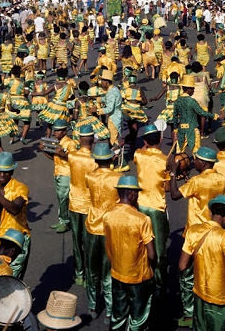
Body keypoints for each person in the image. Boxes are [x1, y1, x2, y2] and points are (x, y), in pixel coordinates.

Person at [169, 146, 225, 327]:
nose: (194, 162)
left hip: (195, 231)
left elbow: (175, 195)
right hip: (214, 231)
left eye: (196, 160)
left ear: (203, 162)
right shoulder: (221, 179)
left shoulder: (196, 181)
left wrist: (172, 173)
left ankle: (189, 314)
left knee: (186, 274)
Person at [178, 195, 225, 331]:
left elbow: (182, 265)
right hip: (221, 299)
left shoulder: (193, 231)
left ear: (211, 212)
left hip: (199, 294)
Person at [103, 175, 155, 331]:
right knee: (139, 316)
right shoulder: (142, 219)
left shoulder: (108, 215)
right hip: (138, 276)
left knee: (118, 314)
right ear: (132, 194)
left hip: (117, 272)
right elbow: (152, 254)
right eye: (137, 193)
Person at [84, 141, 122, 321]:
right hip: (109, 228)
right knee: (108, 272)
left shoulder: (89, 177)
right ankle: (109, 309)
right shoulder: (118, 177)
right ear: (110, 158)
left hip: (92, 226)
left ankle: (92, 305)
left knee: (92, 269)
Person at [134, 124, 170, 293]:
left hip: (140, 205)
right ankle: (160, 282)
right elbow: (168, 188)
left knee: (142, 244)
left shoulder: (139, 155)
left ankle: (143, 276)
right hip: (157, 207)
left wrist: (146, 144)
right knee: (159, 247)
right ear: (161, 140)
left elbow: (141, 150)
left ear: (145, 141)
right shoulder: (165, 160)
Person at [0, 151, 31, 280]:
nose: (2, 175)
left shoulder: (21, 188)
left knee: (12, 279)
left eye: (6, 171)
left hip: (16, 240)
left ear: (12, 172)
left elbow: (15, 209)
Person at [67, 124, 96, 285]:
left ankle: (79, 273)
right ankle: (90, 273)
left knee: (76, 241)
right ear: (92, 140)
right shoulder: (96, 160)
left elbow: (57, 154)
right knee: (89, 242)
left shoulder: (72, 157)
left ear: (79, 139)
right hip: (90, 206)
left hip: (74, 204)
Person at [40, 118, 77, 233]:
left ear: (64, 131)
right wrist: (44, 151)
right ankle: (62, 220)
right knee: (61, 198)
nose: (55, 133)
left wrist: (61, 153)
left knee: (63, 198)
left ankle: (66, 222)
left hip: (67, 174)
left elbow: (75, 159)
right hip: (58, 173)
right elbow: (54, 158)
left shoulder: (71, 143)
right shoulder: (58, 142)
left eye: (58, 131)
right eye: (55, 130)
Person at [172, 74, 214, 153]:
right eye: (193, 89)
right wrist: (214, 116)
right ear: (188, 89)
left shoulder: (177, 101)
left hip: (181, 129)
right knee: (196, 150)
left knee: (179, 151)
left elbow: (174, 116)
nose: (194, 91)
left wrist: (175, 128)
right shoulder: (192, 101)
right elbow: (201, 112)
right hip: (192, 130)